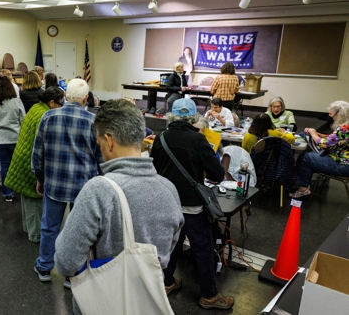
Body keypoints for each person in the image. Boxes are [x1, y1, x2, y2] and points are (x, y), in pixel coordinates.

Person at [54, 99, 184, 314]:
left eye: (100, 144)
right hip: (146, 301)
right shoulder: (169, 189)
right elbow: (168, 248)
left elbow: (65, 262)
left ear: (109, 141)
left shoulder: (99, 190)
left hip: (102, 303)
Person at [150, 98, 234, 310]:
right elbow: (217, 173)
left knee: (171, 245)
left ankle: (167, 282)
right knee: (202, 248)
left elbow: (154, 169)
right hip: (192, 206)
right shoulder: (198, 141)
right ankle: (209, 296)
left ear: (172, 115)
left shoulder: (161, 138)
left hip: (167, 201)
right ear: (194, 118)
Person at [32, 78, 103, 283]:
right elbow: (100, 159)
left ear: (65, 97)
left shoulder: (48, 117)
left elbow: (38, 155)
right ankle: (74, 274)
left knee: (49, 226)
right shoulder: (93, 122)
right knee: (79, 231)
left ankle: (45, 267)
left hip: (54, 183)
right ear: (85, 99)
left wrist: (40, 179)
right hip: (84, 186)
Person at [5, 87, 65, 243]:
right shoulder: (44, 115)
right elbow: (43, 146)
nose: (62, 106)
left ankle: (28, 229)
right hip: (29, 161)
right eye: (60, 103)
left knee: (27, 198)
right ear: (51, 102)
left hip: (22, 157)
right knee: (35, 200)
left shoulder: (36, 107)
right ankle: (36, 235)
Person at [291, 101, 349, 198]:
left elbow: (325, 145)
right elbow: (337, 139)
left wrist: (313, 133)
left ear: (339, 114)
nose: (330, 117)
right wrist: (321, 135)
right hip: (344, 161)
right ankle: (306, 183)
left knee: (305, 158)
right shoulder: (346, 126)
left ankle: (302, 189)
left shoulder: (344, 128)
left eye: (331, 114)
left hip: (343, 165)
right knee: (311, 155)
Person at [0, 76, 26, 202]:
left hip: (0, 139)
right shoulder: (17, 102)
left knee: (5, 166)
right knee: (18, 166)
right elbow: (23, 121)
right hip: (16, 138)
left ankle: (7, 194)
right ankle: (21, 191)